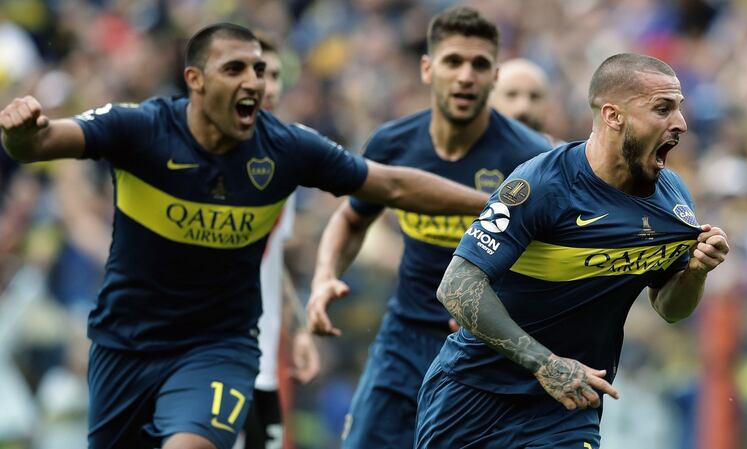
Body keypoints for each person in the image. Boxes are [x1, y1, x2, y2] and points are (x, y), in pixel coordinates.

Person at [0, 23, 489, 449]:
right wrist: (19, 133)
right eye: (234, 69)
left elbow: (393, 184)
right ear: (195, 80)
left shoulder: (285, 148)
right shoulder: (141, 128)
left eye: (258, 69)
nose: (253, 81)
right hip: (125, 345)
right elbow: (39, 143)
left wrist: (495, 205)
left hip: (219, 347)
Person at [415, 53, 730, 449]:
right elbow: (457, 284)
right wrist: (545, 364)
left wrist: (696, 271)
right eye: (662, 108)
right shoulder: (542, 184)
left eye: (679, 108)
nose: (681, 123)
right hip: (472, 397)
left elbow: (671, 309)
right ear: (613, 116)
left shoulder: (674, 198)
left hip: (567, 408)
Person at [305, 7, 551, 449]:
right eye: (453, 61)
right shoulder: (393, 144)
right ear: (427, 68)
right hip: (405, 337)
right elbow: (352, 217)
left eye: (479, 65)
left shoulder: (529, 159)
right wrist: (325, 276)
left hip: (486, 350)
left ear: (494, 76)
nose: (465, 76)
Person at [242, 35, 318, 449]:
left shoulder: (283, 158)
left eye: (273, 75)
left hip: (265, 359)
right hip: (211, 360)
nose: (267, 87)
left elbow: (271, 264)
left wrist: (299, 329)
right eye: (256, 74)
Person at [489, 58, 561, 145]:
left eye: (534, 96)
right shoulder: (477, 152)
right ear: (491, 101)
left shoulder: (563, 153)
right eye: (511, 94)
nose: (524, 107)